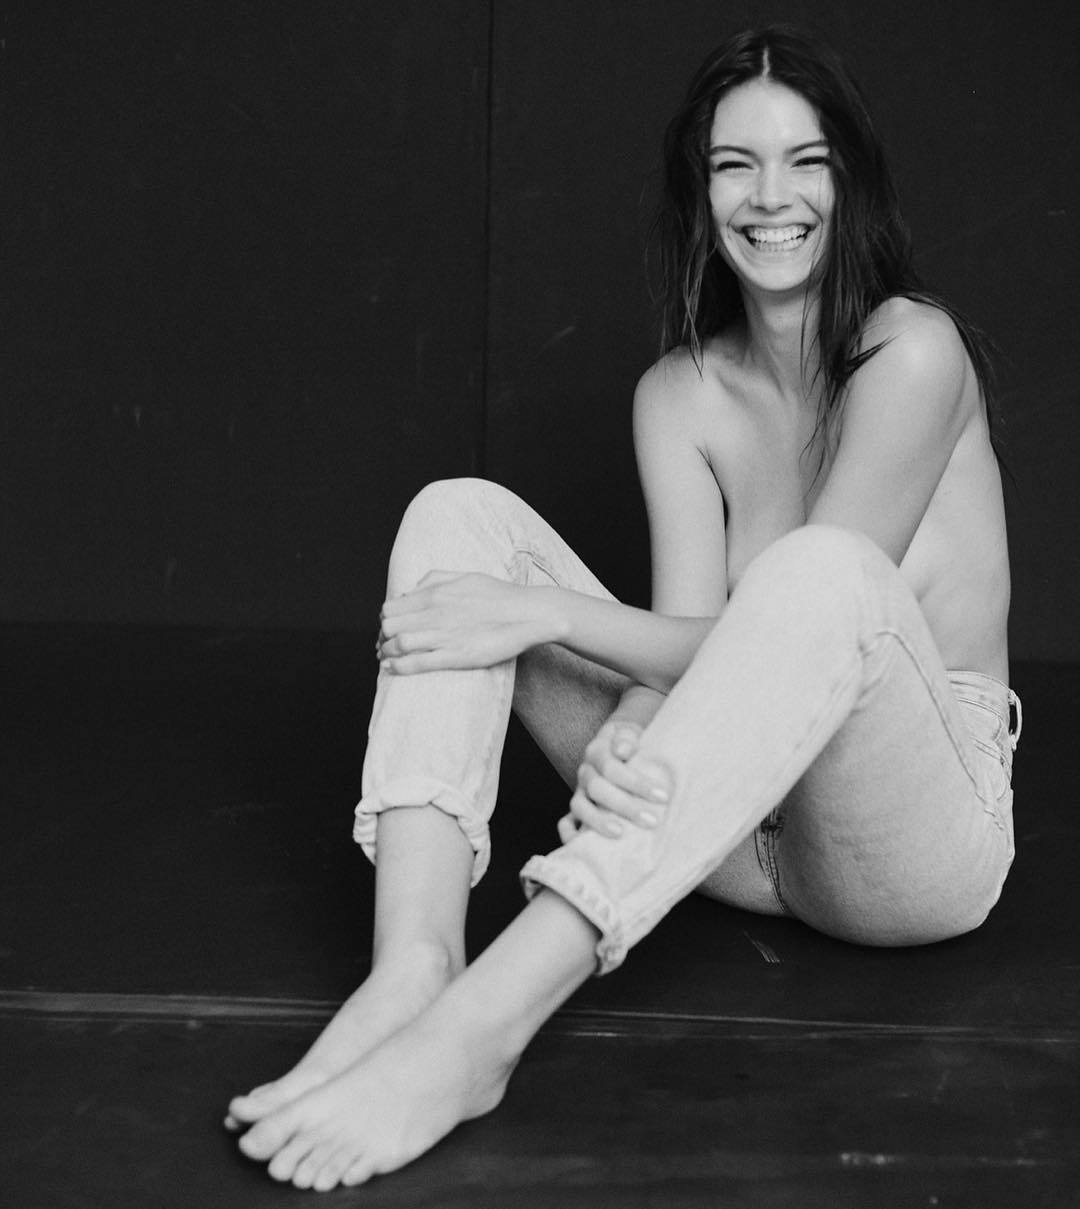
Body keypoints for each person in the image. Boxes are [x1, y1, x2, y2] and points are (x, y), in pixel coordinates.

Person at [224, 24, 1020, 1191]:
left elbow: (816, 622)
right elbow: (692, 645)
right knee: (458, 523)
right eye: (735, 165)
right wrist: (635, 731)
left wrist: (545, 619)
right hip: (733, 831)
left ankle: (484, 1028)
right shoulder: (680, 395)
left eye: (805, 161)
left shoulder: (913, 353)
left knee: (824, 570)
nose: (771, 197)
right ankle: (413, 969)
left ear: (850, 180)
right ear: (699, 193)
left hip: (905, 844)